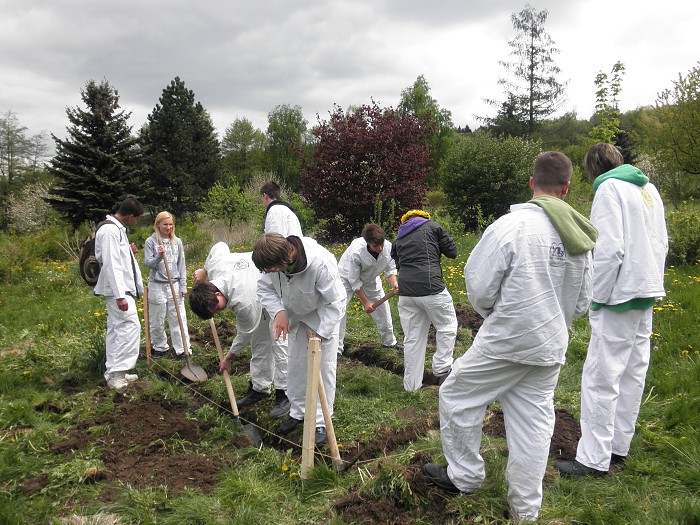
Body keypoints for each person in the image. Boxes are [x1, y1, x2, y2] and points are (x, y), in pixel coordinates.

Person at [422, 151, 597, 523]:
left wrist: (495, 314)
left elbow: (480, 288)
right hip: (550, 344)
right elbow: (582, 302)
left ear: (532, 183)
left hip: (506, 341)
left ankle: (465, 476)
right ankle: (525, 509)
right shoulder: (578, 237)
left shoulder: (510, 227)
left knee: (456, 395)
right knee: (533, 421)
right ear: (566, 188)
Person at [554, 143, 668, 478]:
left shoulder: (608, 189)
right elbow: (662, 241)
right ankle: (618, 445)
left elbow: (607, 250)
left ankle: (592, 459)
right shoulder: (649, 189)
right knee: (632, 373)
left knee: (601, 378)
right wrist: (651, 279)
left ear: (592, 169)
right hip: (646, 289)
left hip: (618, 295)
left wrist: (596, 296)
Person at [252, 233, 345, 446]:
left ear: (287, 257)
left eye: (271, 269)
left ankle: (321, 420)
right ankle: (298, 412)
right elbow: (264, 287)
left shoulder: (320, 264)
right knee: (295, 365)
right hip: (295, 315)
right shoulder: (274, 262)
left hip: (323, 316)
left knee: (323, 369)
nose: (269, 273)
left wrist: (320, 335)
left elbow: (336, 302)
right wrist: (279, 312)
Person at [189, 242, 290, 418]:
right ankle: (260, 387)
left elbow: (244, 334)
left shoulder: (243, 302)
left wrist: (228, 358)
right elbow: (219, 246)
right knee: (260, 342)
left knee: (280, 341)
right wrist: (205, 270)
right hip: (257, 291)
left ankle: (285, 393)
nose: (219, 313)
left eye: (218, 308)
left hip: (277, 289)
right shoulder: (215, 267)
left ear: (217, 294)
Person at [390, 209, 458, 392]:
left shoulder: (399, 238)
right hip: (431, 288)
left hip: (406, 294)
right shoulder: (433, 227)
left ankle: (411, 386)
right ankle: (442, 367)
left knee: (413, 339)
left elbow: (396, 262)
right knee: (447, 325)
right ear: (424, 218)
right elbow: (453, 252)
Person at [94, 198, 145, 390]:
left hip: (122, 289)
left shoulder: (117, 230)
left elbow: (118, 257)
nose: (137, 222)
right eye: (137, 218)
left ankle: (115, 372)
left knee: (117, 330)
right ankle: (117, 374)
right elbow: (111, 263)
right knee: (129, 329)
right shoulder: (109, 231)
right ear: (130, 216)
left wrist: (128, 250)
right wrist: (119, 295)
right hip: (119, 291)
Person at [337, 224, 400, 355]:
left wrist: (394, 284)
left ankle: (389, 342)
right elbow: (354, 281)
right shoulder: (357, 251)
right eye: (376, 247)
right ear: (368, 243)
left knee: (383, 309)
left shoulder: (388, 247)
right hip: (346, 278)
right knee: (339, 309)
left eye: (381, 245)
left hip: (371, 278)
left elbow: (390, 271)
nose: (380, 248)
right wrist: (366, 303)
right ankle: (337, 349)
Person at [144, 211, 190, 360]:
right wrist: (158, 256)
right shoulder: (151, 242)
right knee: (157, 319)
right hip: (157, 285)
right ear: (158, 224)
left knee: (178, 317)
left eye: (170, 224)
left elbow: (181, 265)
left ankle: (183, 349)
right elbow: (148, 263)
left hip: (174, 284)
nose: (168, 227)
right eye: (165, 224)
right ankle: (160, 347)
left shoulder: (177, 242)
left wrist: (183, 285)